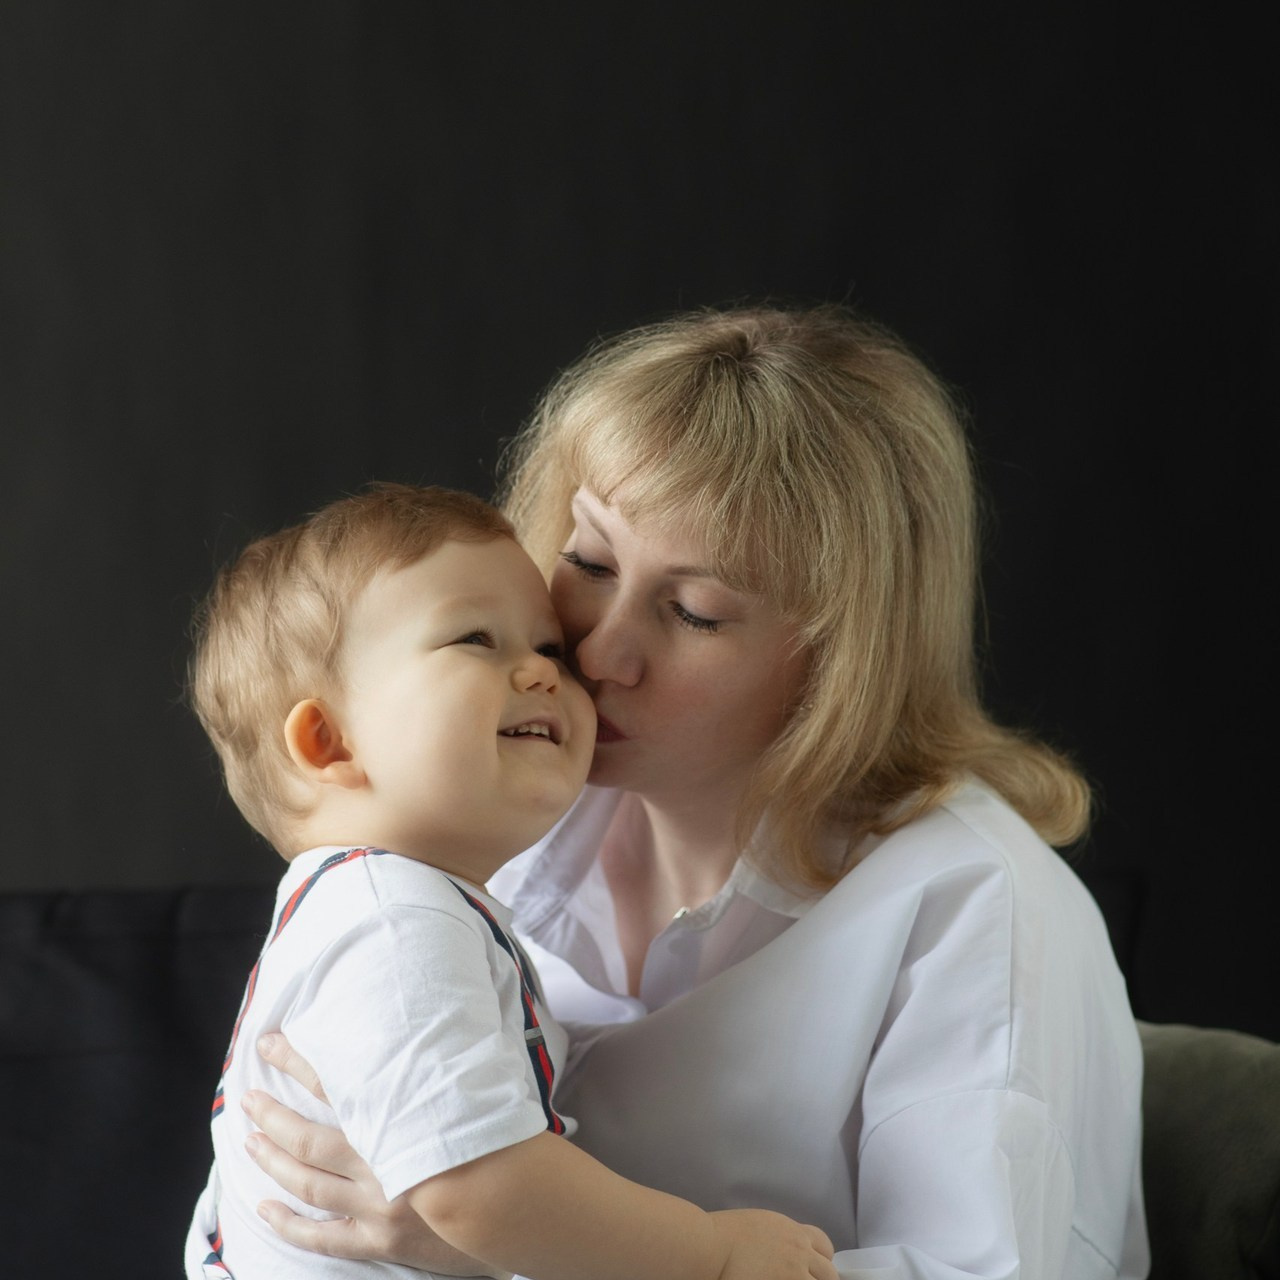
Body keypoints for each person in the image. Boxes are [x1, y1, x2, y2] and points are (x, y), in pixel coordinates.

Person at [235, 306, 1151, 1279]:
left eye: (693, 611)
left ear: (842, 658)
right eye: (588, 560)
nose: (593, 649)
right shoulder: (489, 809)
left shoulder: (976, 907)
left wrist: (502, 1246)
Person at [183, 482, 838, 1280]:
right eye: (474, 640)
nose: (542, 670)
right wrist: (712, 1254)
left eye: (548, 647)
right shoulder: (394, 924)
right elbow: (475, 1190)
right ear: (331, 742)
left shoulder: (380, 905)